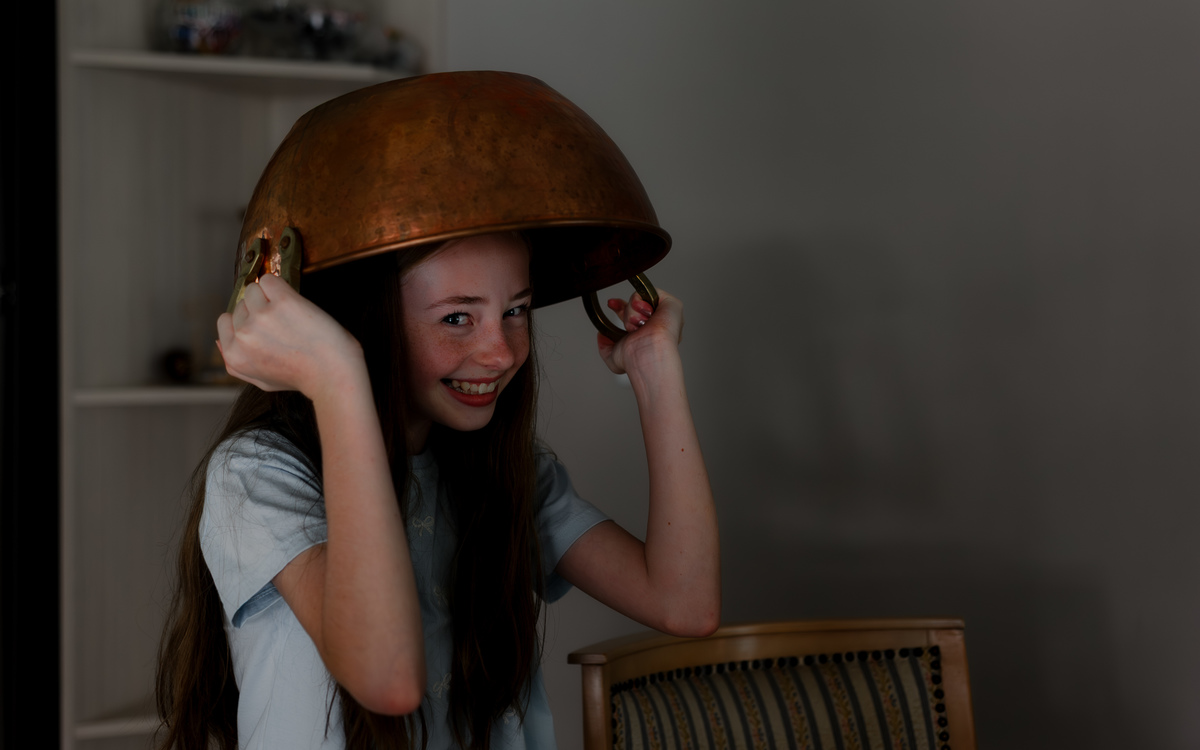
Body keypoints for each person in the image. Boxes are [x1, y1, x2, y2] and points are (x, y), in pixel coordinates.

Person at [155, 228, 720, 750]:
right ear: (367, 321)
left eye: (515, 310)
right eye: (456, 318)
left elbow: (684, 604)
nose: (501, 353)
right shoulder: (258, 472)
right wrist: (338, 378)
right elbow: (387, 681)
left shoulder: (509, 470)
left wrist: (653, 365)